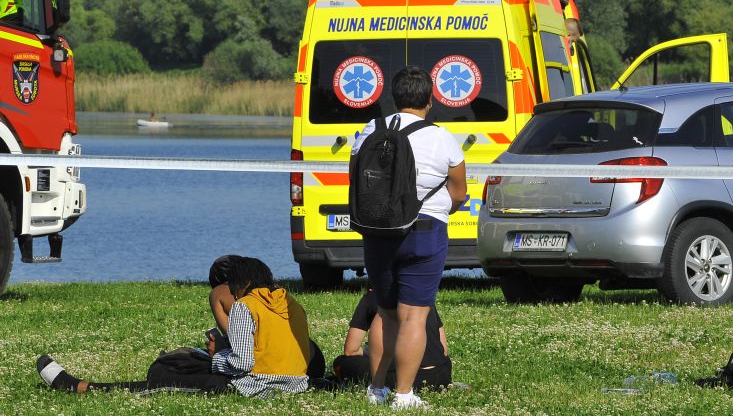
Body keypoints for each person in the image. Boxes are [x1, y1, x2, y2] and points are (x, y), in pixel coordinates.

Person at [349, 65, 467, 409]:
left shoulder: (371, 129)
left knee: (385, 314)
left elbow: (358, 179)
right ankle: (404, 394)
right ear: (429, 100)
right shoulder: (442, 137)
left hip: (377, 232)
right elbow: (459, 192)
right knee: (413, 316)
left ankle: (376, 389)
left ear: (394, 98)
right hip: (424, 232)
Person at [36, 257, 312, 398]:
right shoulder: (290, 302)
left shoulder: (245, 305)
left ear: (241, 283)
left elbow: (243, 363)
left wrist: (216, 357)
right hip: (296, 384)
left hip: (255, 386)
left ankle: (85, 387)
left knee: (166, 383)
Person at [332, 289, 451, 390]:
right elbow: (444, 349)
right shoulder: (423, 296)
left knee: (342, 362)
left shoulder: (373, 297)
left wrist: (371, 352)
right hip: (441, 375)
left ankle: (379, 389)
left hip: (400, 378)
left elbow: (351, 350)